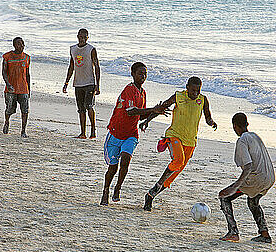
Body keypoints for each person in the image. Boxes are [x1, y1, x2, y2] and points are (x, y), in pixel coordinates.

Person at [141, 76, 217, 211]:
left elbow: (208, 117)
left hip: (190, 141)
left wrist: (211, 123)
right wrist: (147, 120)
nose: (195, 93)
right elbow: (161, 108)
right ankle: (155, 188)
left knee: (173, 175)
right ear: (187, 87)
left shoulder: (203, 100)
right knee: (178, 160)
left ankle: (151, 195)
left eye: (198, 91)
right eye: (193, 90)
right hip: (174, 135)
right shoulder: (178, 96)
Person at [101, 62, 167, 205]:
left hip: (131, 134)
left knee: (125, 160)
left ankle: (117, 188)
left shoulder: (143, 93)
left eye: (145, 74)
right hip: (115, 133)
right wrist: (152, 109)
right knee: (113, 167)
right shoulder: (129, 89)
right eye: (140, 73)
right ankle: (106, 190)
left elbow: (140, 115)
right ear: (132, 74)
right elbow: (131, 111)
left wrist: (151, 116)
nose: (143, 76)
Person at [218, 113, 275, 243]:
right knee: (253, 201)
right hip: (270, 177)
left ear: (235, 126)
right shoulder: (255, 136)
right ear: (247, 124)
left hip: (257, 178)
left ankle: (233, 232)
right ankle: (264, 234)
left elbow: (248, 167)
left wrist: (235, 186)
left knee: (224, 197)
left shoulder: (242, 140)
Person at [62, 28, 101, 139]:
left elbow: (97, 66)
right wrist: (66, 82)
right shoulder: (73, 49)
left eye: (85, 37)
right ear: (77, 36)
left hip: (90, 82)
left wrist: (97, 85)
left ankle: (93, 130)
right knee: (81, 109)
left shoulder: (91, 49)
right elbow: (71, 66)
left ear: (87, 38)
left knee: (89, 106)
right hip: (78, 83)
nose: (82, 39)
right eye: (81, 36)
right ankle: (83, 133)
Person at [2, 37, 31, 138]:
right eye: (19, 44)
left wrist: (29, 89)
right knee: (9, 109)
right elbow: (4, 72)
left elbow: (27, 74)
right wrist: (8, 84)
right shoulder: (7, 57)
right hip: (11, 89)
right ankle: (6, 122)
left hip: (23, 88)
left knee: (25, 110)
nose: (21, 46)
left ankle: (23, 131)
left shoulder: (27, 58)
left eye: (22, 44)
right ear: (14, 45)